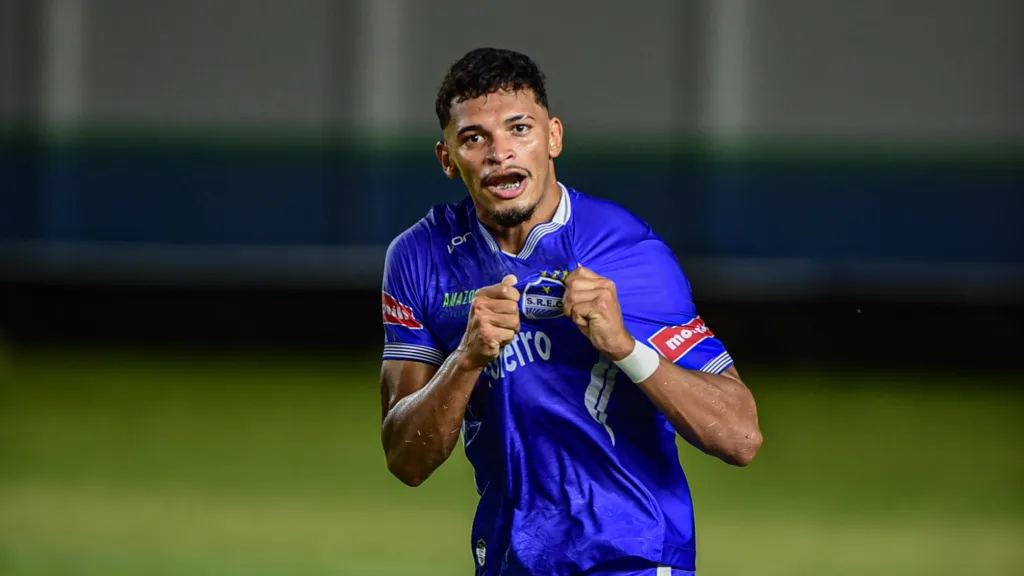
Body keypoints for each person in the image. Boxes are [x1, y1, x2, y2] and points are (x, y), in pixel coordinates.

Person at [379, 47, 762, 576]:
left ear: (553, 137)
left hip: (635, 553)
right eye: (474, 138)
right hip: (509, 559)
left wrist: (625, 348)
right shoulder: (419, 257)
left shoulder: (626, 251)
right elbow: (406, 459)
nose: (499, 153)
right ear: (448, 159)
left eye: (519, 129)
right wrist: (465, 359)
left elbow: (741, 437)